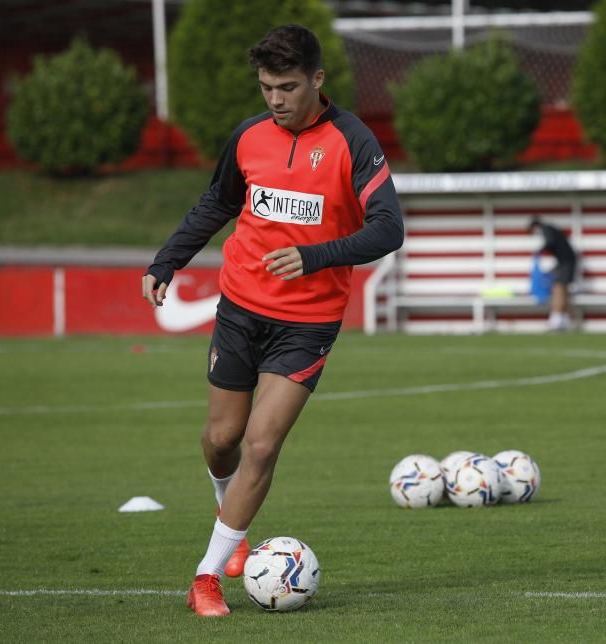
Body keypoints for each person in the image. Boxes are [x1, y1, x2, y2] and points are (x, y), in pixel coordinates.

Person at [141, 24, 403, 617]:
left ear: (317, 79)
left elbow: (389, 228)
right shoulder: (249, 136)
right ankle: (225, 507)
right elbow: (217, 203)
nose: (276, 99)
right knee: (222, 441)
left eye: (288, 86)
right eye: (266, 87)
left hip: (307, 325)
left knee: (261, 444)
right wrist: (167, 260)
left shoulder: (353, 141)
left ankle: (206, 577)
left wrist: (314, 256)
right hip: (238, 310)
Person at [528, 217, 578, 331]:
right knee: (563, 289)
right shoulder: (552, 229)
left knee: (558, 287)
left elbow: (550, 242)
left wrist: (539, 250)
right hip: (566, 261)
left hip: (566, 262)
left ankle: (556, 320)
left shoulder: (546, 229)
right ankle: (564, 320)